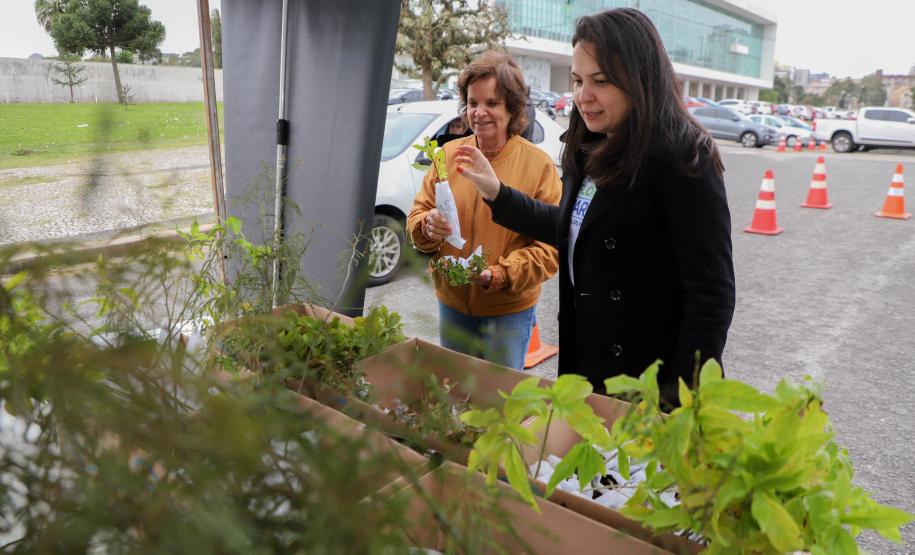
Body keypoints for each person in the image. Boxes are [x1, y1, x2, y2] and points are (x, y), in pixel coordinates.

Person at [453, 8, 735, 405]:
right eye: (578, 80)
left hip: (646, 383)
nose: (583, 96)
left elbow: (712, 293)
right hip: (587, 363)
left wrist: (675, 400)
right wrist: (498, 192)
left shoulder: (683, 158)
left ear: (640, 79)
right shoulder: (588, 146)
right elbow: (577, 230)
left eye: (600, 81)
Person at [407, 51, 562, 371]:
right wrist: (426, 227)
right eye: (473, 103)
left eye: (491, 103)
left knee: (498, 403)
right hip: (452, 304)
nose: (479, 113)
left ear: (513, 108)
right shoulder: (447, 155)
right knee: (457, 393)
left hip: (508, 311)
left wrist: (500, 274)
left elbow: (550, 247)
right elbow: (418, 214)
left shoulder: (539, 166)